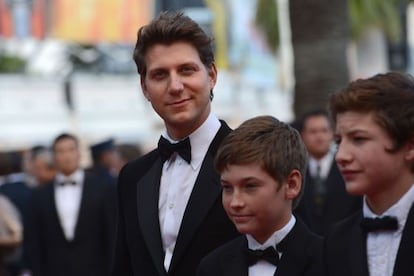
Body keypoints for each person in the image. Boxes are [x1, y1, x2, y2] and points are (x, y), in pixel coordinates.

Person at [111, 11, 239, 276]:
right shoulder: (132, 177)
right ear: (144, 87)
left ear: (212, 75)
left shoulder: (251, 159)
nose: (176, 86)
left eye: (186, 70)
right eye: (160, 75)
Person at [197, 115, 323, 276]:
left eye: (250, 186)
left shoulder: (330, 261)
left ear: (291, 184)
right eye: (227, 188)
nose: (235, 202)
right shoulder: (212, 267)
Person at [324, 72, 414, 276]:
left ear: (409, 146)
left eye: (358, 139)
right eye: (338, 142)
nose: (341, 156)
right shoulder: (336, 240)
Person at [27, 133, 116, 276]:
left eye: (71, 150)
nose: (66, 156)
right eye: (60, 151)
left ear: (79, 153)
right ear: (54, 157)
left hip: (96, 270)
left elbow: (111, 233)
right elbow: (34, 240)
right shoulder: (40, 195)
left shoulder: (102, 189)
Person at [294, 109, 362, 235]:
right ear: (303, 135)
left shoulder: (349, 167)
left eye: (324, 131)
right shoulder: (294, 170)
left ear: (332, 133)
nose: (319, 137)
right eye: (313, 132)